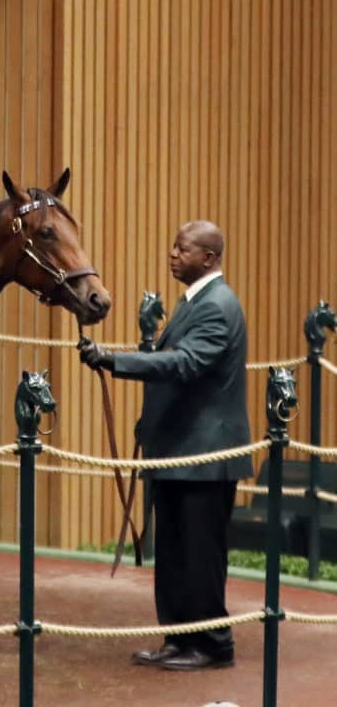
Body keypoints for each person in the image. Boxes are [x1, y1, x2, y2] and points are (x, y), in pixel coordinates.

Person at [79, 220, 252, 671]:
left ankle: (213, 645)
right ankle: (180, 637)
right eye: (174, 247)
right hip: (179, 453)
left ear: (209, 258)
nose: (173, 254)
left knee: (199, 555)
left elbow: (186, 363)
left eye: (183, 249)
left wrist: (114, 360)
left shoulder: (217, 305)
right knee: (175, 553)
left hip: (204, 457)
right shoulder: (194, 301)